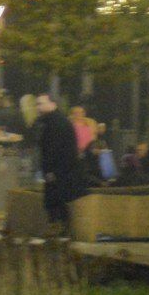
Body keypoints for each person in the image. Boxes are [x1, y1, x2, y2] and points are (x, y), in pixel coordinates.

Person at [34, 95, 86, 232]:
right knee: (58, 200)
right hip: (62, 170)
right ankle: (60, 228)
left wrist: (50, 170)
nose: (38, 107)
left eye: (40, 103)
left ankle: (59, 229)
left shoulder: (55, 123)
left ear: (52, 104)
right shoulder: (54, 121)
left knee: (57, 200)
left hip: (59, 170)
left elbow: (53, 148)